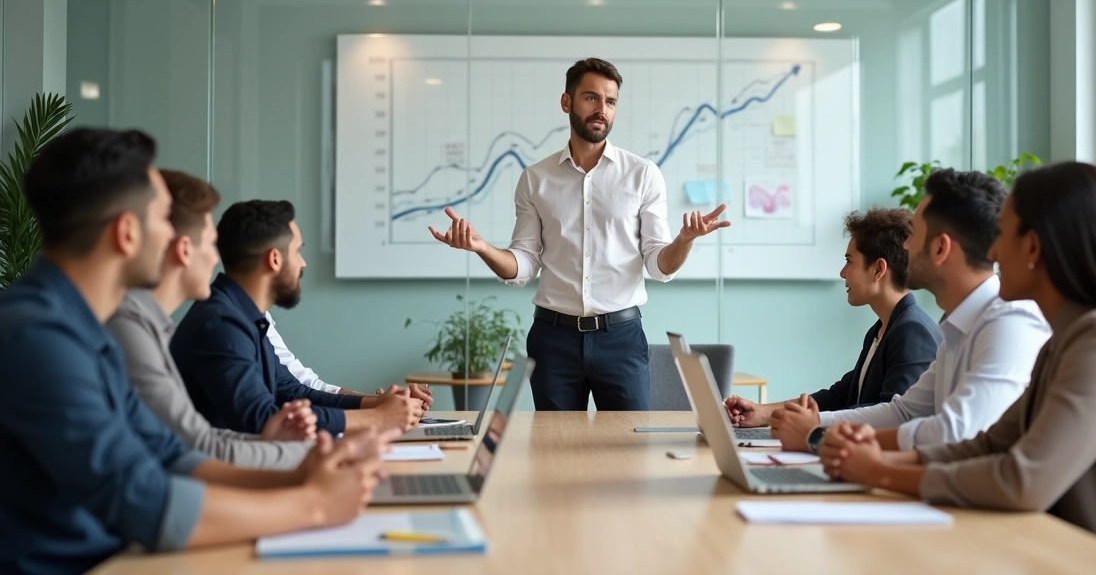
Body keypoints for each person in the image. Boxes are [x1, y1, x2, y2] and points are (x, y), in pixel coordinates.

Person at [0, 128, 393, 574]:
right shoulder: (37, 337)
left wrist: (304, 472)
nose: (176, 238)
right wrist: (313, 504)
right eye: (163, 218)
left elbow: (171, 455)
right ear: (127, 233)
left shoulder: (85, 327)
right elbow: (141, 499)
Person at [819, 162, 1096, 563]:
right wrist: (873, 457)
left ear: (1033, 247)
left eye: (1002, 235)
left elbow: (1024, 479)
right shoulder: (1066, 339)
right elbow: (989, 444)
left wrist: (881, 471)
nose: (992, 253)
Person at [429, 57, 729, 411]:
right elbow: (523, 265)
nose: (602, 109)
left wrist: (684, 240)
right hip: (552, 340)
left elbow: (659, 266)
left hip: (621, 338)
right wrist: (482, 248)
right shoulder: (535, 179)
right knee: (555, 444)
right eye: (591, 98)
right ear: (566, 102)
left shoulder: (643, 175)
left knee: (629, 441)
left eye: (611, 101)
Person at [766, 169, 1051, 452]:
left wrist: (818, 436)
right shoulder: (958, 327)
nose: (905, 245)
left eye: (913, 234)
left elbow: (956, 432)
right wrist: (815, 424)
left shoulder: (1010, 322)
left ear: (940, 248)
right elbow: (904, 412)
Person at [108, 170, 317, 470]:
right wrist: (313, 460)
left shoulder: (153, 326)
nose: (216, 258)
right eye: (208, 244)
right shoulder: (134, 328)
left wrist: (281, 448)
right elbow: (191, 449)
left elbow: (193, 440)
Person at [171, 200, 432, 437]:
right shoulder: (221, 324)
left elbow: (293, 392)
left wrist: (379, 404)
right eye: (297, 251)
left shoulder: (242, 316)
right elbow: (261, 420)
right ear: (274, 259)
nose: (303, 263)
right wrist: (377, 418)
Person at [724, 207, 940, 424]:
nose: (842, 273)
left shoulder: (913, 332)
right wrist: (764, 413)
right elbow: (840, 396)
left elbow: (894, 418)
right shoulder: (881, 330)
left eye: (849, 261)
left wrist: (810, 423)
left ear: (878, 270)